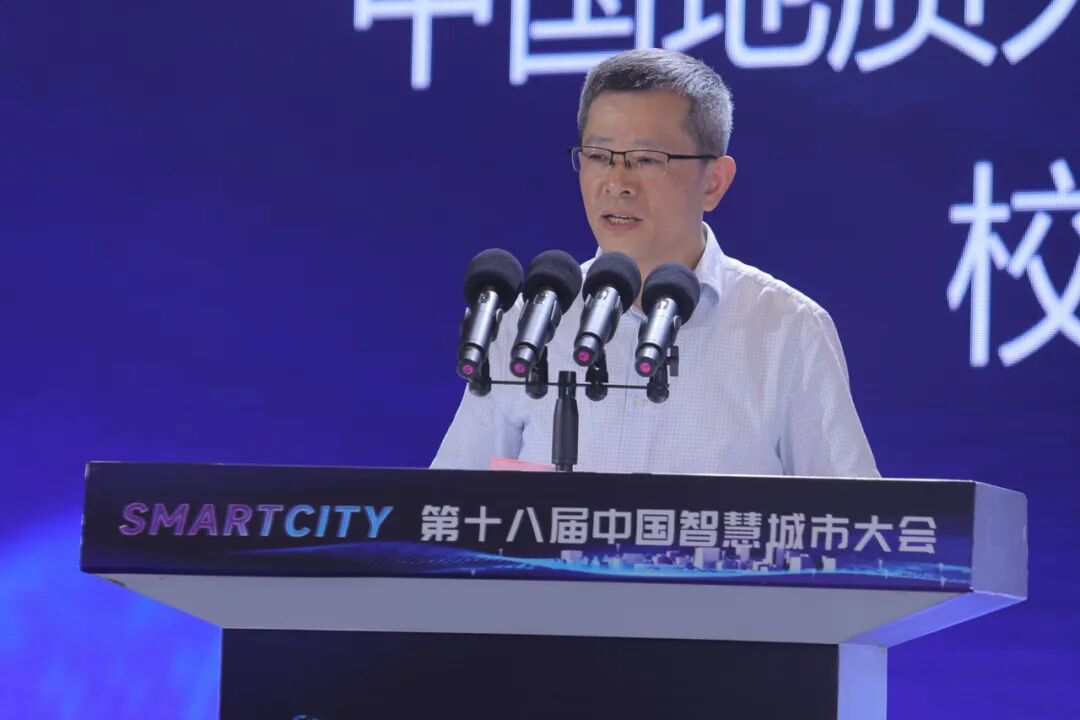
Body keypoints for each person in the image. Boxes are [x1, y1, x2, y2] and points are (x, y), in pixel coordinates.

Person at [432, 49, 878, 478]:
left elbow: (852, 519)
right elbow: (447, 507)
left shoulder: (788, 329)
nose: (616, 183)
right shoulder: (530, 323)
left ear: (714, 182)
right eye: (598, 156)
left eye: (647, 159)